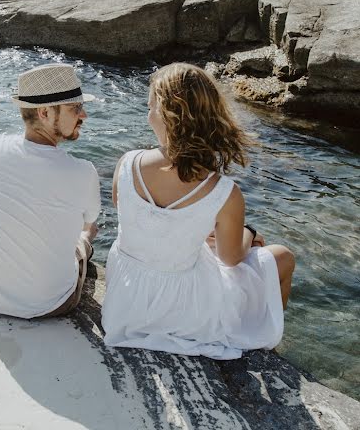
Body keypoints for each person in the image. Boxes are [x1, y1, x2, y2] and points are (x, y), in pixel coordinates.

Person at [102, 62, 295, 359]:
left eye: (151, 106)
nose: (147, 114)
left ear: (166, 115)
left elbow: (142, 223)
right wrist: (249, 234)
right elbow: (231, 259)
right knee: (282, 256)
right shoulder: (224, 192)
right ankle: (269, 348)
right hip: (181, 314)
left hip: (125, 306)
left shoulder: (126, 164)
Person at [0, 63, 101, 319]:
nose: (84, 116)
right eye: (76, 108)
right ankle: (85, 246)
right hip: (50, 303)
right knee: (86, 231)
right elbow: (89, 220)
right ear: (45, 113)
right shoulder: (83, 171)